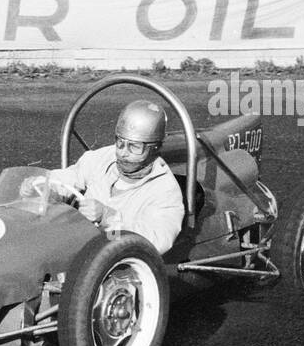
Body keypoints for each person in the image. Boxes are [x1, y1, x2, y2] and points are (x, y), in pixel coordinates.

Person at [19, 100, 186, 255]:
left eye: (134, 147)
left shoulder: (165, 191)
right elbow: (67, 178)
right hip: (80, 246)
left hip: (122, 259)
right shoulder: (101, 158)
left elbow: (157, 240)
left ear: (155, 148)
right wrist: (44, 187)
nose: (123, 153)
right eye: (120, 142)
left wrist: (108, 217)